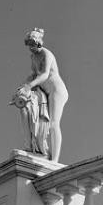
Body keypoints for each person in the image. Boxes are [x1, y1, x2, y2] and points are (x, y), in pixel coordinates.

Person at [18, 28, 68, 163]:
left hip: (56, 90)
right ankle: (39, 149)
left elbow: (44, 74)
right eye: (28, 45)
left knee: (53, 124)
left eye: (32, 44)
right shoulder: (33, 57)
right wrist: (24, 86)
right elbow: (34, 75)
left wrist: (29, 86)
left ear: (38, 43)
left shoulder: (47, 54)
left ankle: (55, 159)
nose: (30, 48)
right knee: (39, 119)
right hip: (45, 91)